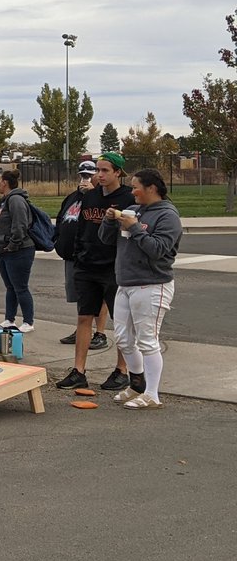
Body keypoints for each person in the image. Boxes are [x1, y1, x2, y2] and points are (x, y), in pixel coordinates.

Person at [100, 169, 181, 409]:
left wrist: (135, 228)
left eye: (136, 187)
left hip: (152, 284)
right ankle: (137, 384)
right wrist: (108, 220)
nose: (132, 191)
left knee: (147, 341)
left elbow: (158, 250)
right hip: (125, 284)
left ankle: (153, 394)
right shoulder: (133, 210)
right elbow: (106, 240)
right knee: (124, 340)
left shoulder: (168, 216)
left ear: (151, 188)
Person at [55, 152, 133, 391]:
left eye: (105, 170)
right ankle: (79, 370)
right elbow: (81, 229)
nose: (99, 175)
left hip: (113, 268)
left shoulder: (128, 197)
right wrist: (79, 255)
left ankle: (122, 370)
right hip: (87, 265)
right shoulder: (90, 198)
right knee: (83, 317)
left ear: (118, 172)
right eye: (98, 170)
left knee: (120, 321)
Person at [53, 160, 109, 344]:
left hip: (93, 254)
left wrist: (92, 194)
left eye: (89, 175)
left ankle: (100, 333)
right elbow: (61, 219)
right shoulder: (71, 197)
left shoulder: (100, 197)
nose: (85, 178)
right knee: (81, 296)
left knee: (99, 296)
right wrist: (58, 239)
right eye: (82, 175)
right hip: (72, 254)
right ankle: (82, 329)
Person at [0, 170, 36, 333]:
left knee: (20, 287)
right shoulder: (4, 200)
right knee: (10, 287)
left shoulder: (16, 200)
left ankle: (28, 321)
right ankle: (9, 319)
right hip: (5, 252)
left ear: (5, 182)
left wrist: (13, 244)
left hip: (19, 251)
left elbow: (20, 224)